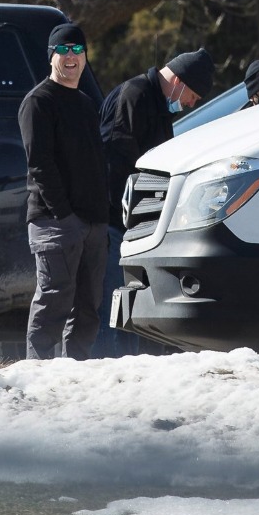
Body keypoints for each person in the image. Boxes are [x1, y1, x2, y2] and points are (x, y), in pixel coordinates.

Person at [95, 47, 214, 356]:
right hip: (115, 223)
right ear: (178, 81)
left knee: (130, 313)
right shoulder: (135, 96)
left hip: (138, 226)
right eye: (193, 95)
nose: (191, 104)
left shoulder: (155, 103)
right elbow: (117, 165)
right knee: (112, 310)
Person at [19, 23, 111, 359]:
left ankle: (76, 379)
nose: (70, 56)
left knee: (88, 309)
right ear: (51, 56)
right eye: (63, 50)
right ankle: (37, 378)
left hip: (92, 224)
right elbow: (40, 164)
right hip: (55, 222)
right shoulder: (38, 102)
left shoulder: (86, 104)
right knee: (54, 301)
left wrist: (101, 219)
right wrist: (65, 216)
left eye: (77, 50)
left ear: (85, 57)